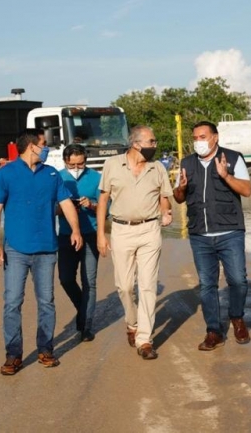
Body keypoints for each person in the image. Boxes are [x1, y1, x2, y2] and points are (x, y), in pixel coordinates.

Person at [0, 129, 83, 375]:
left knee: (46, 302)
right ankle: (13, 354)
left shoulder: (51, 174)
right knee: (12, 302)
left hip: (46, 249)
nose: (46, 148)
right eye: (43, 144)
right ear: (31, 146)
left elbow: (65, 204)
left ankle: (45, 349)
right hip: (16, 250)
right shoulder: (5, 174)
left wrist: (75, 230)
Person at [173, 121, 251, 351]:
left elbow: (247, 190)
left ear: (215, 137)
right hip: (200, 234)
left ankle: (237, 318)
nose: (199, 141)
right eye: (196, 137)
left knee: (238, 279)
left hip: (230, 232)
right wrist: (181, 188)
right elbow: (178, 197)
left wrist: (226, 176)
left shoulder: (234, 158)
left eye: (203, 136)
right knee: (207, 285)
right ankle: (214, 331)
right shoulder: (187, 163)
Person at [97, 125, 173, 360]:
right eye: (151, 141)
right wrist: (101, 234)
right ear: (136, 144)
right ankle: (132, 323)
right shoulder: (112, 165)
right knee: (125, 286)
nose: (155, 145)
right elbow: (103, 199)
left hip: (150, 230)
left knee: (148, 286)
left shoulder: (157, 167)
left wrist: (167, 212)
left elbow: (164, 196)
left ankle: (144, 339)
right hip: (121, 230)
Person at [57, 144, 102, 342]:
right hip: (66, 235)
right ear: (65, 162)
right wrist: (65, 207)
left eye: (81, 163)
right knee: (66, 278)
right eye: (72, 164)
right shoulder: (58, 177)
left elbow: (106, 208)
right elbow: (51, 208)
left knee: (89, 281)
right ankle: (81, 308)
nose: (76, 167)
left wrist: (91, 204)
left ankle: (86, 326)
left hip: (90, 234)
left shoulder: (96, 178)